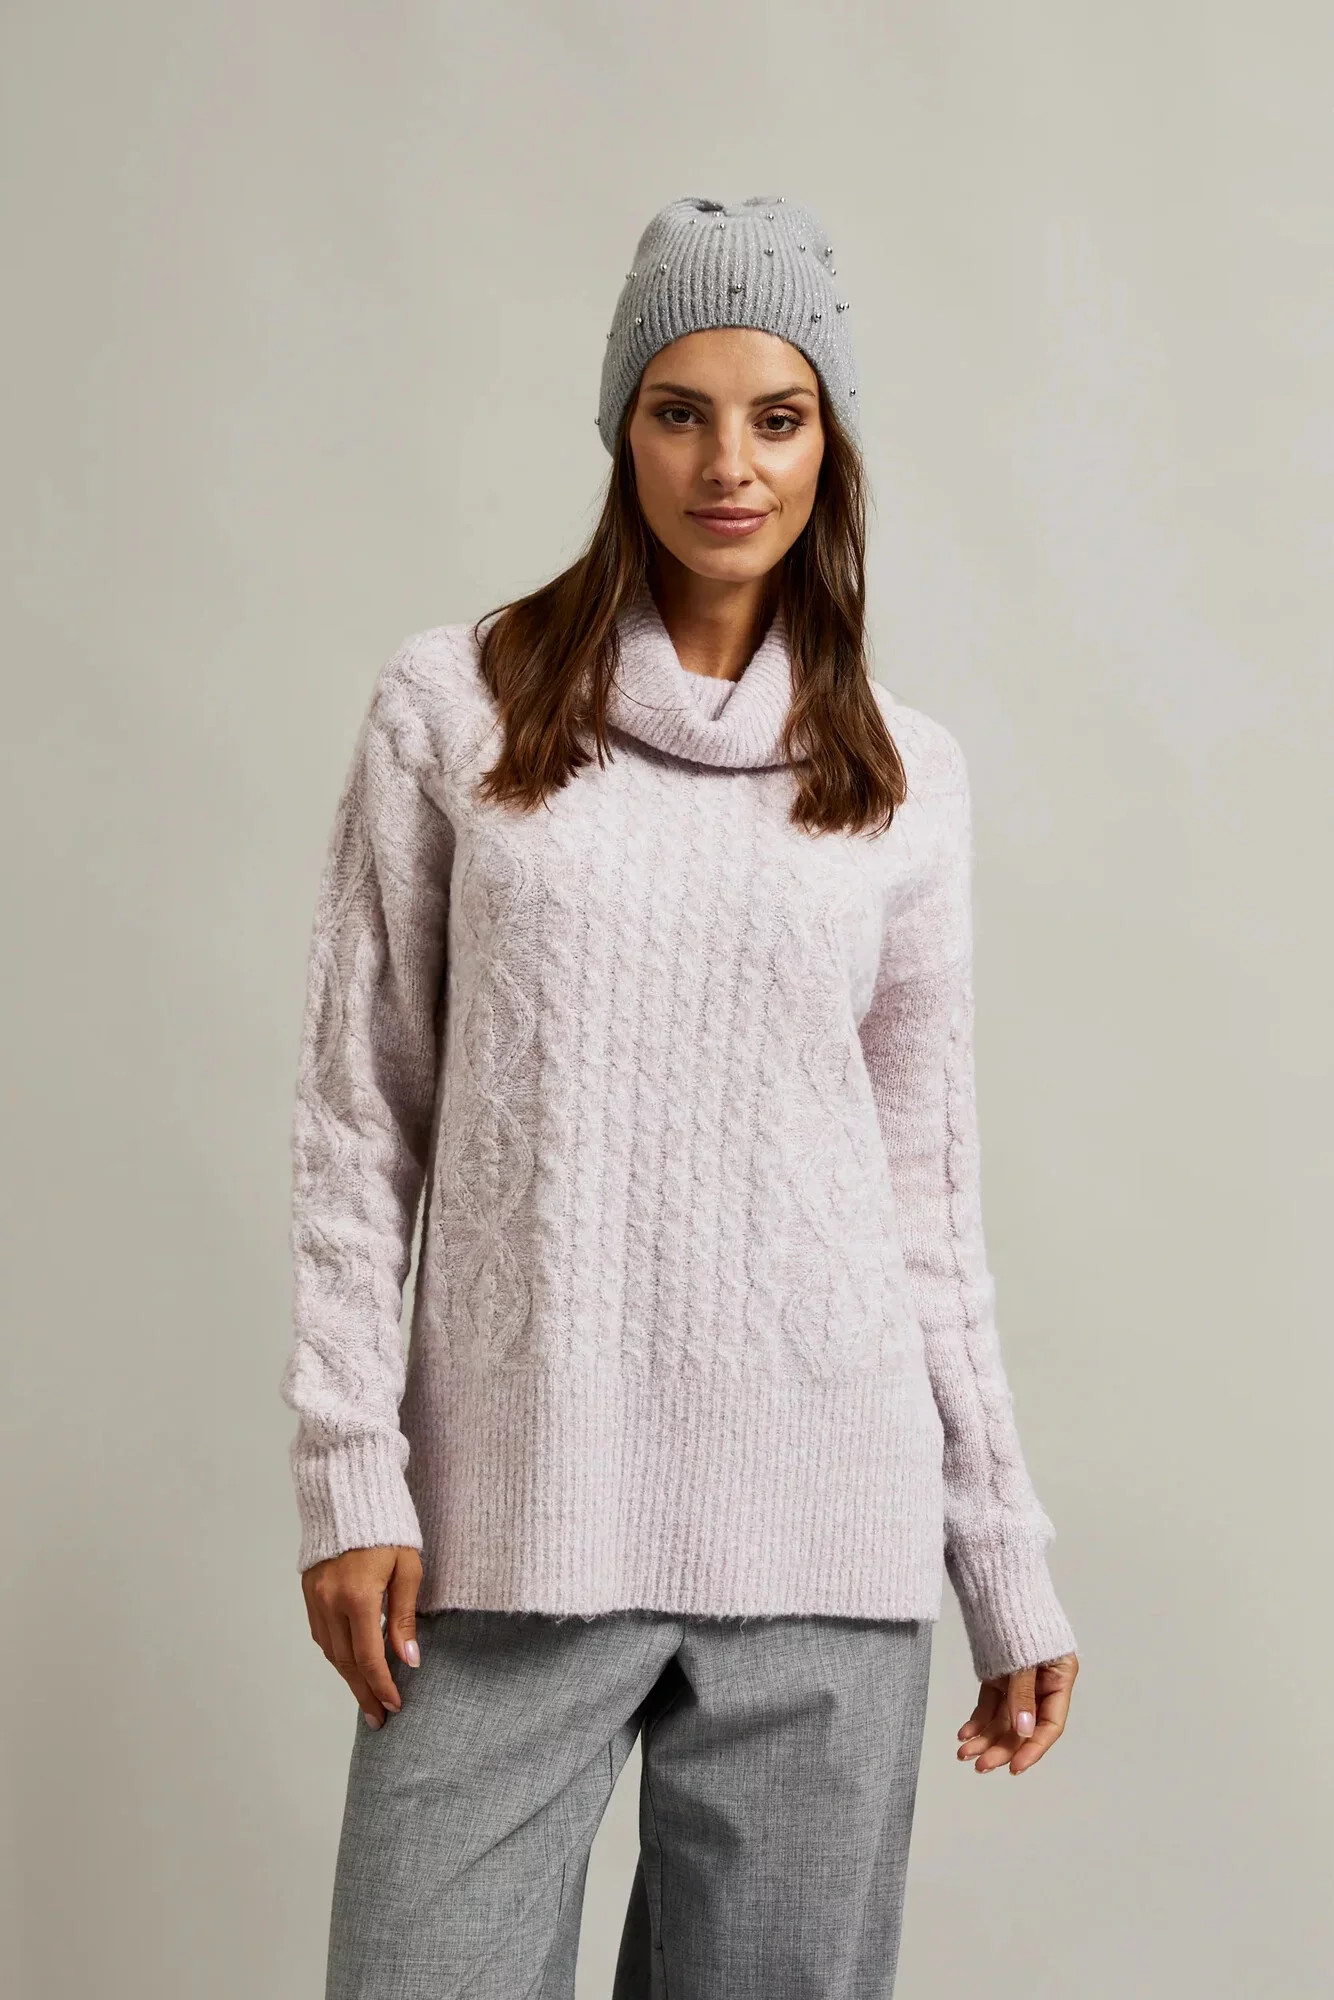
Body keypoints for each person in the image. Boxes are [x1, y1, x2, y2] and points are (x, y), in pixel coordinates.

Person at [280, 192, 1081, 2000]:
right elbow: (356, 1118)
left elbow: (923, 1199)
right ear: (619, 427)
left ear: (828, 444)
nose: (729, 464)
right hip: (509, 1523)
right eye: (678, 411)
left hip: (824, 1536)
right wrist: (349, 1473)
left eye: (776, 417)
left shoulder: (902, 773)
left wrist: (1000, 1553)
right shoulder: (454, 709)